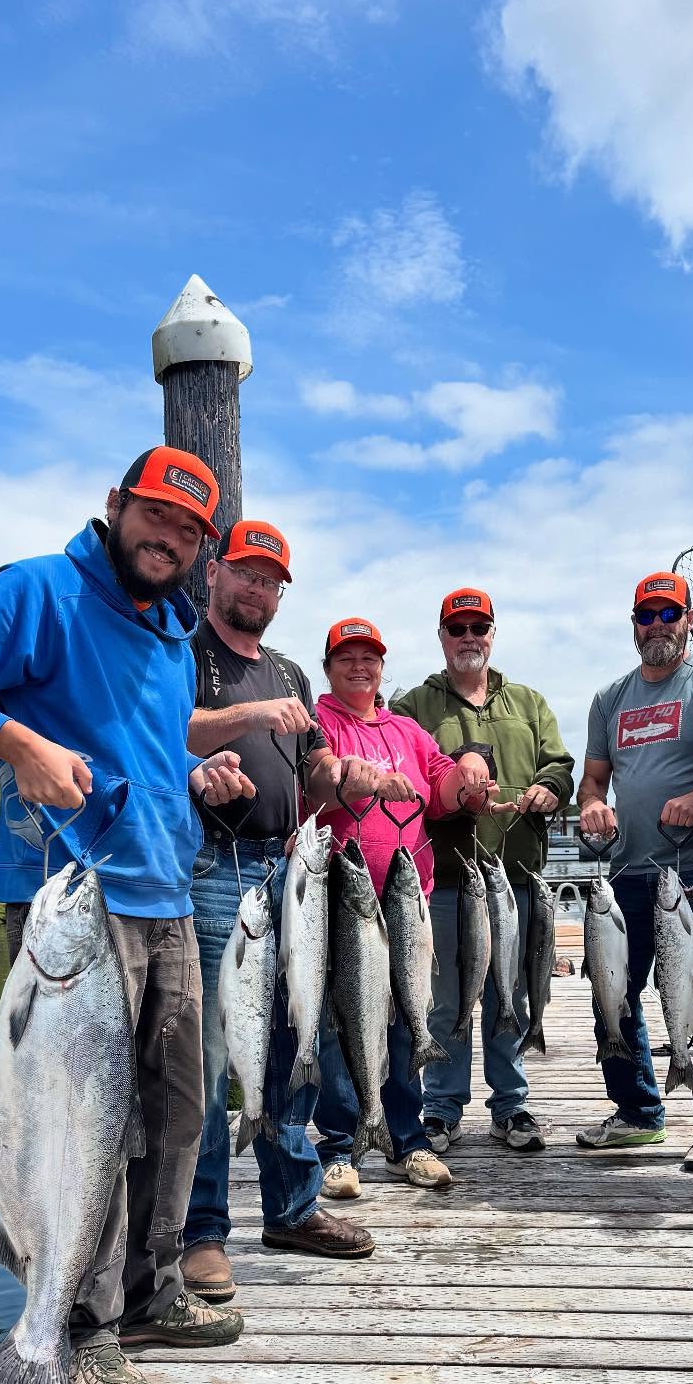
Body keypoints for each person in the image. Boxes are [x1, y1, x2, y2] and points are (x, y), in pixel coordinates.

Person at [0, 444, 257, 1384]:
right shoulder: (41, 592)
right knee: (83, 1130)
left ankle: (150, 1294)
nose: (167, 539)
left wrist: (197, 780)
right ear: (116, 506)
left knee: (178, 1114)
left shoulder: (173, 634)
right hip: (72, 913)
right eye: (155, 517)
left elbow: (149, 741)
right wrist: (19, 742)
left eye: (188, 531)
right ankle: (78, 1331)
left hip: (168, 901)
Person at [182, 519, 379, 1306]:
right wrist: (247, 721)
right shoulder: (184, 650)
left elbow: (314, 774)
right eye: (246, 573)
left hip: (287, 870)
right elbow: (168, 731)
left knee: (298, 1037)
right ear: (215, 572)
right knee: (206, 1056)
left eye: (271, 580)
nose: (257, 589)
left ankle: (293, 1207)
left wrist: (341, 774)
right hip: (208, 870)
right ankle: (200, 1233)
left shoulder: (294, 672)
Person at [311, 617, 495, 1193]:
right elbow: (312, 781)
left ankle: (404, 1138)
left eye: (370, 657)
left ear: (383, 667)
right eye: (347, 658)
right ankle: (340, 1144)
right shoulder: (318, 721)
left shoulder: (409, 731)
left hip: (407, 896)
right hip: (344, 895)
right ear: (329, 667)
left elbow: (440, 793)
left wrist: (466, 781)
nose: (359, 666)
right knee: (346, 1016)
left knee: (407, 1013)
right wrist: (351, 778)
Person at [391, 587, 573, 1155]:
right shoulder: (413, 705)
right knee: (446, 996)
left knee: (509, 993)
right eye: (457, 628)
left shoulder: (529, 701)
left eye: (479, 627)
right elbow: (401, 774)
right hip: (445, 879)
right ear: (442, 636)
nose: (469, 638)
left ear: (493, 633)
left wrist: (549, 789)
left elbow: (561, 765)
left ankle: (511, 1103)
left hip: (517, 880)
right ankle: (442, 1107)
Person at [574, 571, 693, 1170]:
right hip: (627, 871)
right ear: (634, 624)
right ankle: (638, 1111)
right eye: (647, 616)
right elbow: (593, 779)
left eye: (669, 615)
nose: (658, 626)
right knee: (612, 993)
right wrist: (593, 805)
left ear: (689, 619)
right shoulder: (609, 699)